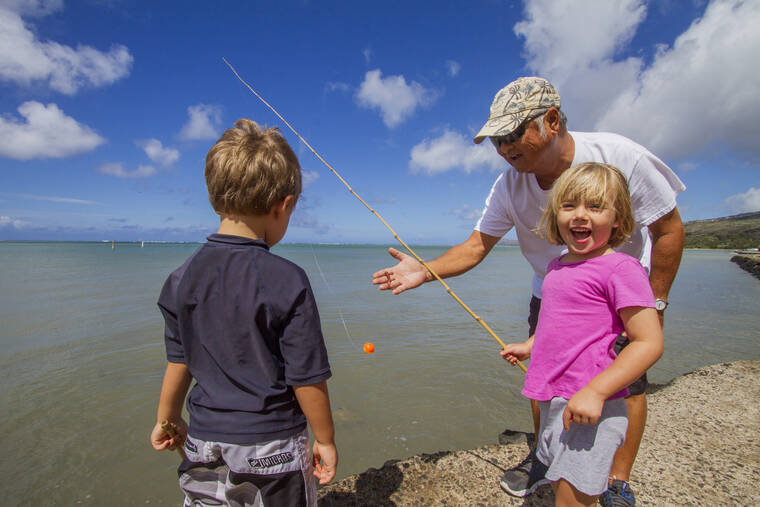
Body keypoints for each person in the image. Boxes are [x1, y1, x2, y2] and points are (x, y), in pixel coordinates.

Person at [372, 77, 685, 505]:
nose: (503, 148)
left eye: (512, 134)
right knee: (545, 377)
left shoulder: (618, 156)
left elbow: (667, 229)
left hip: (620, 294)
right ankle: (547, 455)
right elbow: (476, 246)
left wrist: (657, 301)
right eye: (496, 140)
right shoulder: (509, 185)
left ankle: (615, 479)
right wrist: (424, 271)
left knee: (624, 386)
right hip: (554, 289)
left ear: (551, 121)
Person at [149, 119, 337, 506]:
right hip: (274, 447)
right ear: (282, 206)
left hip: (202, 440)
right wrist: (326, 440)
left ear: (215, 196)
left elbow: (179, 360)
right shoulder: (288, 280)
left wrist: (167, 420)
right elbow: (307, 379)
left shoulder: (180, 277)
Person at [500, 162, 664, 506]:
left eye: (595, 206)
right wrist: (530, 345)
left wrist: (597, 391)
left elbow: (649, 342)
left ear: (618, 218)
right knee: (562, 480)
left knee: (574, 498)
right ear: (555, 213)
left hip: (592, 408)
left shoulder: (621, 268)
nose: (580, 215)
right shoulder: (557, 266)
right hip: (555, 400)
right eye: (569, 205)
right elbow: (557, 322)